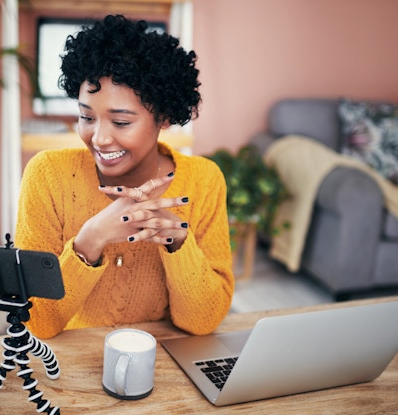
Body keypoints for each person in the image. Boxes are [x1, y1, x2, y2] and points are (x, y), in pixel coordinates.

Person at [15, 14, 234, 339]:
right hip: (70, 367)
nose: (99, 138)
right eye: (86, 116)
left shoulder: (204, 180)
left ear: (164, 118)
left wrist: (177, 241)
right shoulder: (48, 175)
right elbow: (39, 322)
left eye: (120, 122)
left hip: (161, 362)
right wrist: (90, 239)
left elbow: (202, 323)